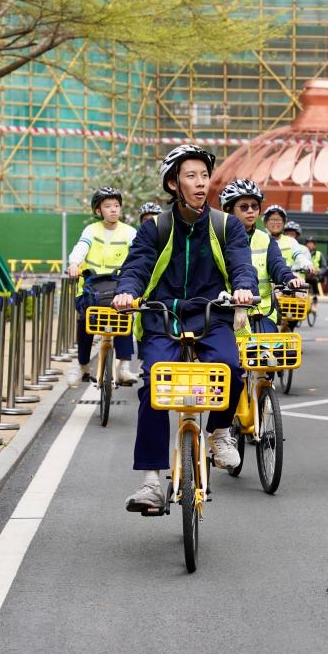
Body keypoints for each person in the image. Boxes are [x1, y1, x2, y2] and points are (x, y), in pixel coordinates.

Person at [112, 144, 258, 513]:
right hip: (163, 317)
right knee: (156, 387)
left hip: (212, 315)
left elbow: (242, 263)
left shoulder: (226, 226)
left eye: (204, 175)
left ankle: (220, 432)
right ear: (174, 183)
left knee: (232, 370)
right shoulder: (156, 229)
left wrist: (244, 288)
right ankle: (150, 481)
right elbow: (136, 267)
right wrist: (128, 292)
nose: (199, 183)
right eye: (190, 176)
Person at [65, 187, 139, 387]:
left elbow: (139, 256)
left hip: (119, 288)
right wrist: (73, 264)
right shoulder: (91, 230)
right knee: (85, 322)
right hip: (91, 290)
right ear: (98, 211)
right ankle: (83, 366)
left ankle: (123, 367)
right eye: (108, 206)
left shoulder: (130, 232)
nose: (113, 210)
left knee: (125, 315)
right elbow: (81, 247)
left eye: (116, 205)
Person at [219, 179, 305, 333]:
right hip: (224, 313)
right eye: (244, 207)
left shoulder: (266, 239)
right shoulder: (218, 239)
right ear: (229, 211)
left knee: (266, 351)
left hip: (262, 312)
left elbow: (278, 265)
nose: (251, 210)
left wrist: (289, 278)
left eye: (255, 206)